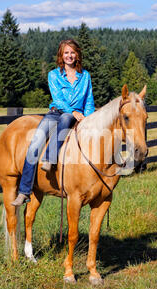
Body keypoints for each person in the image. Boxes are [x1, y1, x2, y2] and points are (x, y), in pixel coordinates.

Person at [12, 39, 95, 206]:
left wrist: (88, 118)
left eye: (72, 52)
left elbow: (89, 100)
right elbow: (57, 99)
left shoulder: (85, 76)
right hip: (56, 113)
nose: (69, 56)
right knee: (35, 143)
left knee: (71, 122)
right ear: (61, 55)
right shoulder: (54, 75)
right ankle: (24, 191)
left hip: (78, 116)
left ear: (77, 54)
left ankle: (51, 159)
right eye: (66, 53)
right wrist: (73, 112)